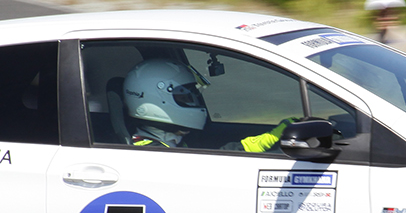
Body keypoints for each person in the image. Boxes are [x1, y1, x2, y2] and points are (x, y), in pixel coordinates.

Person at [122, 58, 297, 152]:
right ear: (155, 100)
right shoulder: (150, 154)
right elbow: (212, 170)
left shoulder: (171, 142)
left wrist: (266, 140)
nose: (194, 103)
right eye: (185, 97)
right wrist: (262, 142)